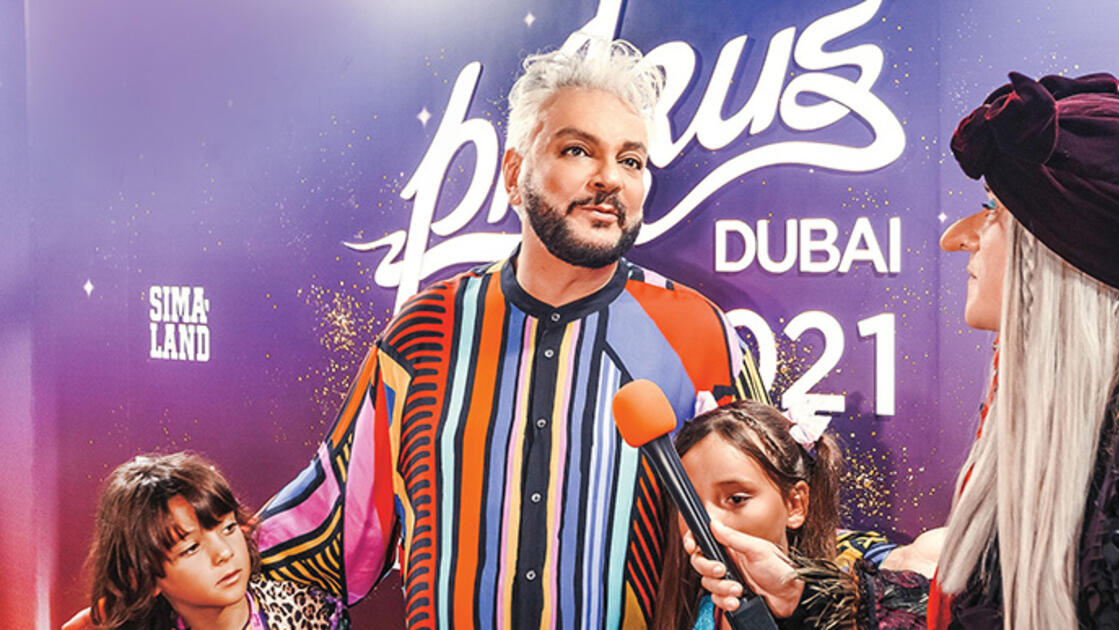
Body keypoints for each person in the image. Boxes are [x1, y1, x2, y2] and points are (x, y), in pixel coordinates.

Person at [253, 37, 768, 629]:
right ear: (514, 174)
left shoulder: (698, 335)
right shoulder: (425, 331)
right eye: (578, 150)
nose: (610, 178)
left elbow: (777, 537)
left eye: (631, 161)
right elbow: (326, 537)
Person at [932, 72, 1119, 629]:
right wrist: (819, 595)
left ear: (1066, 264)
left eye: (992, 210)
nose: (956, 238)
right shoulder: (1094, 404)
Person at [655, 400, 928, 630]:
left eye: (737, 499)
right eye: (689, 504)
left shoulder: (863, 574)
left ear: (795, 504)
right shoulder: (690, 611)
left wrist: (802, 596)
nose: (709, 522)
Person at [78, 452, 344, 630]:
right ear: (144, 577)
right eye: (192, 548)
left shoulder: (310, 612)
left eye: (229, 528)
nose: (224, 553)